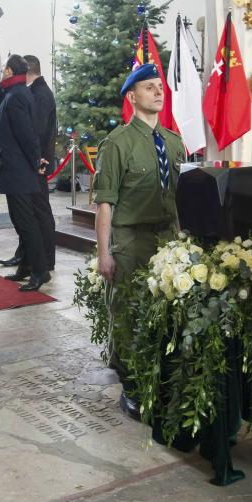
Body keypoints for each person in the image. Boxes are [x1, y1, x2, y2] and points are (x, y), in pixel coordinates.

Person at [93, 63, 186, 419]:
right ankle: (131, 386)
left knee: (162, 313)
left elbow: (183, 199)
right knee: (127, 314)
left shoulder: (174, 143)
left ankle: (158, 377)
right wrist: (106, 254)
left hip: (167, 240)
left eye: (159, 87)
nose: (158, 92)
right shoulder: (117, 144)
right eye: (149, 88)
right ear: (132, 97)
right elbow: (105, 204)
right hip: (131, 242)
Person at [0, 55, 50, 292]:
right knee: (19, 221)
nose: (0, 71)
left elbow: (27, 135)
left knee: (26, 223)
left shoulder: (16, 96)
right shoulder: (12, 93)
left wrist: (36, 161)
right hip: (14, 169)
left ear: (8, 71)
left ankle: (40, 271)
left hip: (19, 171)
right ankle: (26, 267)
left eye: (2, 68)